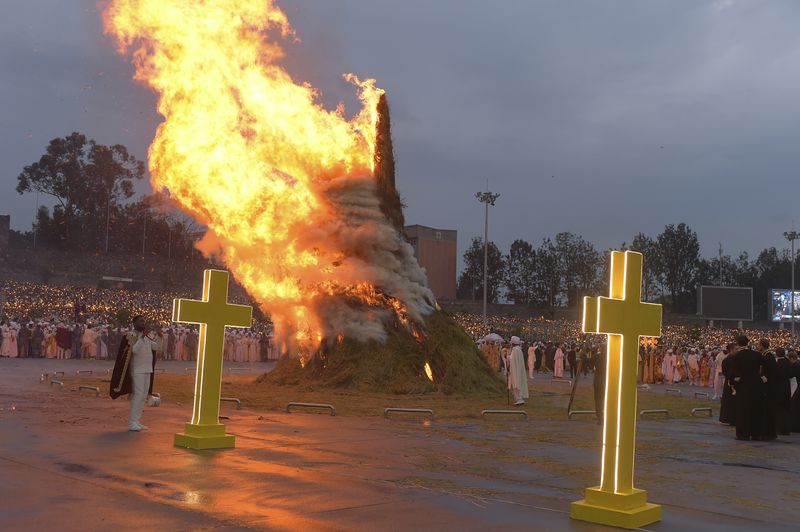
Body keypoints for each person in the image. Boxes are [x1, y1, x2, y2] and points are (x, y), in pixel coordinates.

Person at [109, 315, 158, 432]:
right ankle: (132, 422)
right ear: (134, 323)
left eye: (144, 321)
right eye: (141, 321)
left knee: (143, 396)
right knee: (138, 395)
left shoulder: (145, 337)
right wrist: (143, 338)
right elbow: (134, 350)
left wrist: (154, 336)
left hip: (147, 369)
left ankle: (137, 420)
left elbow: (156, 347)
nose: (143, 323)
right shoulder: (131, 335)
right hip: (137, 370)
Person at [730, 335, 765, 440]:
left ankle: (743, 434)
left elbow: (733, 372)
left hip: (743, 386)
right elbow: (765, 365)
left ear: (738, 343)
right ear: (748, 343)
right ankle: (756, 433)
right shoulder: (756, 354)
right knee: (755, 409)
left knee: (743, 410)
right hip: (755, 385)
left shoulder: (737, 356)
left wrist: (734, 382)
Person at [757, 338, 778, 441]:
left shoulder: (768, 356)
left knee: (767, 410)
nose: (757, 346)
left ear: (762, 345)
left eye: (758, 344)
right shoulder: (766, 355)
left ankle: (768, 432)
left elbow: (769, 371)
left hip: (768, 387)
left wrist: (764, 378)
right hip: (768, 386)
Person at [772, 347, 793, 436]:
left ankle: (780, 428)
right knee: (786, 409)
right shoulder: (788, 362)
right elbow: (791, 374)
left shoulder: (777, 364)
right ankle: (786, 429)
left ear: (776, 354)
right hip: (787, 387)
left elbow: (774, 376)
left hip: (779, 388)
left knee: (779, 409)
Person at [507, 336, 529, 406]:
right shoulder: (518, 350)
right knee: (517, 383)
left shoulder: (515, 350)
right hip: (517, 370)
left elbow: (512, 360)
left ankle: (519, 399)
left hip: (515, 371)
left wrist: (507, 357)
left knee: (515, 383)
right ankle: (519, 398)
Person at [719, 343, 737, 425]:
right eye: (736, 349)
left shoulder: (736, 359)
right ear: (731, 350)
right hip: (730, 381)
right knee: (729, 400)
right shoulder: (727, 360)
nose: (737, 350)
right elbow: (725, 371)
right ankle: (728, 418)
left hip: (735, 381)